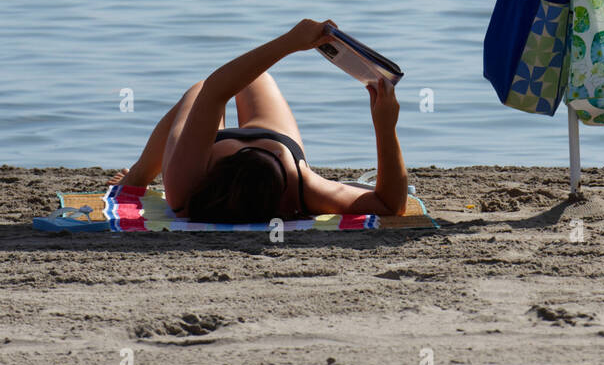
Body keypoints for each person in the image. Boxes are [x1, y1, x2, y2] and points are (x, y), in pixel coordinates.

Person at [109, 18, 408, 222]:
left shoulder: (185, 189)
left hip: (258, 149)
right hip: (277, 143)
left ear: (216, 169)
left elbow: (214, 90)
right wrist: (386, 127)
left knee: (202, 89)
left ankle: (137, 177)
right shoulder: (303, 188)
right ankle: (138, 176)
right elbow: (391, 206)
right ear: (287, 199)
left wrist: (291, 41)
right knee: (254, 79)